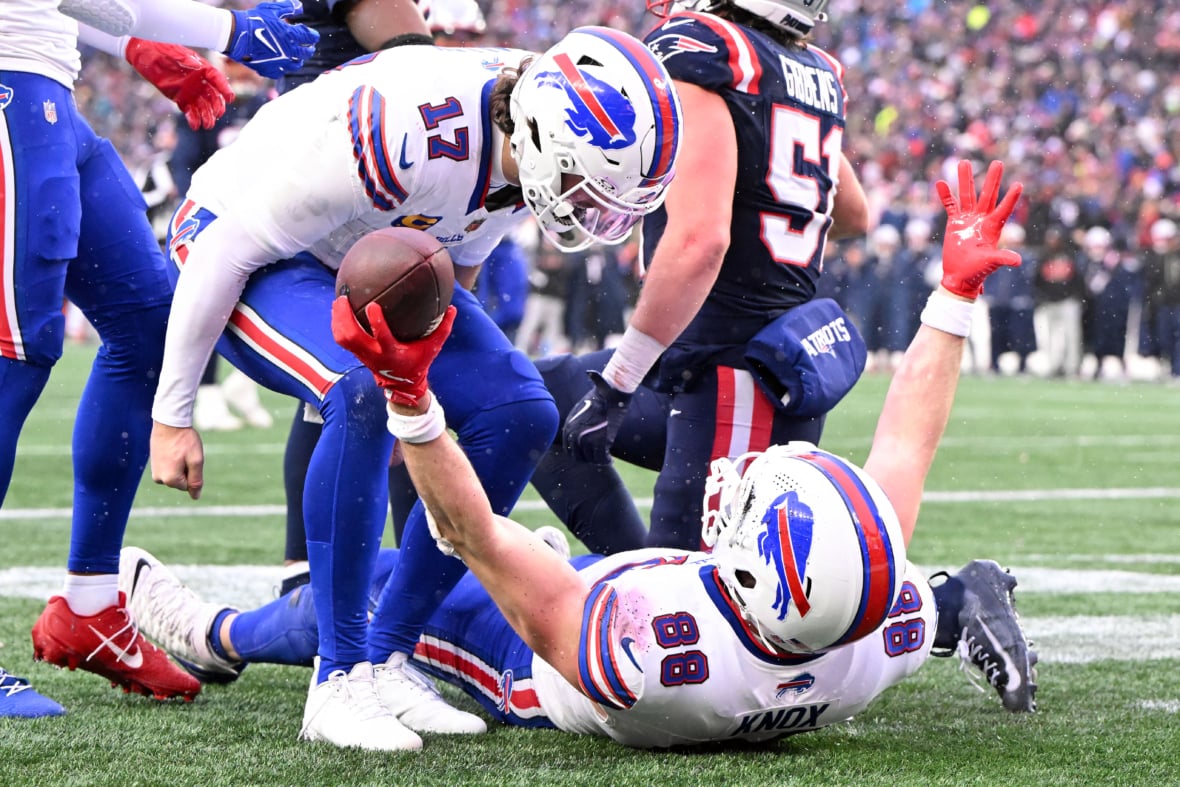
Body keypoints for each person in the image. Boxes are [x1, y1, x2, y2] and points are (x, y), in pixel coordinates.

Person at [126, 159, 1037, 751]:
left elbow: (472, 530)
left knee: (390, 583)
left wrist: (409, 394)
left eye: (756, 499)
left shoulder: (646, 653)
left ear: (753, 573)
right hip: (680, 609)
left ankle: (215, 635)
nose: (746, 475)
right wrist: (953, 295)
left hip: (535, 659)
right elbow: (905, 442)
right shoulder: (874, 624)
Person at [144, 28, 683, 750]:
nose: (590, 211)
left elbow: (459, 265)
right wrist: (172, 414)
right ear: (542, 139)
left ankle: (388, 652)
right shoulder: (406, 131)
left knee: (521, 411)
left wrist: (427, 396)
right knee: (360, 391)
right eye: (584, 186)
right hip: (243, 247)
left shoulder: (520, 139)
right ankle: (338, 678)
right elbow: (228, 249)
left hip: (366, 255)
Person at [0, 0, 318, 719]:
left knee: (151, 327)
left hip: (43, 86)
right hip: (10, 89)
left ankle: (90, 604)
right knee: (14, 357)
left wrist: (136, 44)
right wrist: (225, 31)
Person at [554, 0, 871, 551]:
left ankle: (952, 601)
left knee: (702, 590)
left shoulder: (707, 49)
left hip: (738, 375)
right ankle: (627, 571)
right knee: (536, 401)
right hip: (709, 365)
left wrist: (619, 382)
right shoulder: (814, 70)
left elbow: (700, 240)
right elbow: (853, 216)